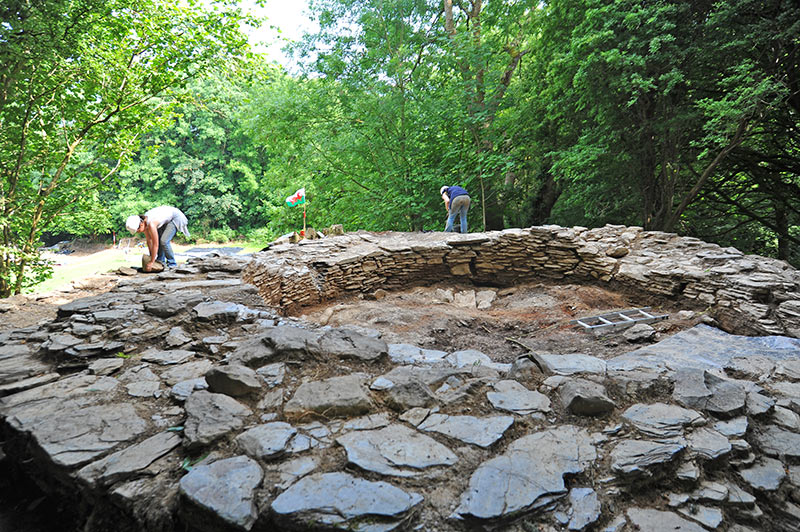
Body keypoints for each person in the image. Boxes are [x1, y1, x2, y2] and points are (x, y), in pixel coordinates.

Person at [125, 206, 190, 271]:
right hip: (167, 220)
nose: (138, 232)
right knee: (159, 239)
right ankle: (161, 261)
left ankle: (172, 264)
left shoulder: (151, 224)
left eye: (137, 230)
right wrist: (151, 258)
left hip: (176, 218)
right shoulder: (145, 222)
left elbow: (155, 244)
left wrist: (152, 262)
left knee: (164, 241)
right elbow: (149, 241)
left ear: (141, 224)